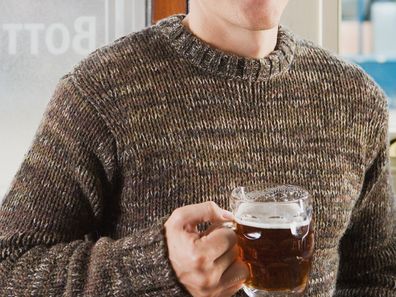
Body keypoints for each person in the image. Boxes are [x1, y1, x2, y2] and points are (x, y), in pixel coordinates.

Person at [0, 0, 395, 296]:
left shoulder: (356, 101)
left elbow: (378, 280)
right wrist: (157, 266)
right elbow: (9, 269)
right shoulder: (101, 92)